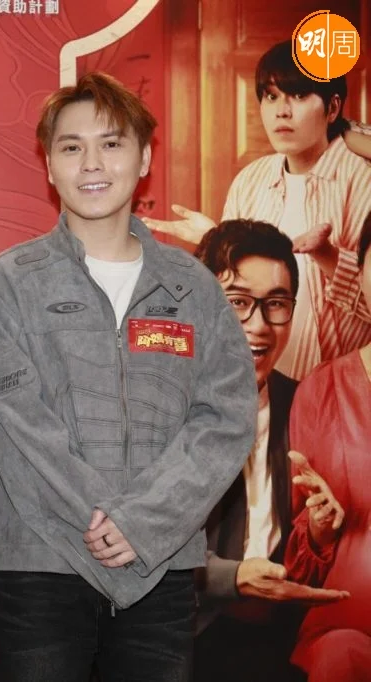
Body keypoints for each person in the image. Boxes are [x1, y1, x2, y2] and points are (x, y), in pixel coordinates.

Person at [0, 72, 257, 681]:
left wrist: (144, 522)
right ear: (50, 166)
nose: (92, 164)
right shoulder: (12, 281)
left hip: (161, 571)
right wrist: (107, 519)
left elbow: (226, 419)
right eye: (71, 147)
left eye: (111, 143)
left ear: (144, 159)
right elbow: (15, 423)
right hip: (40, 569)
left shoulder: (193, 287)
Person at [145, 40, 371, 381]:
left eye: (298, 95)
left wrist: (327, 255)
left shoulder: (363, 180)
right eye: (271, 96)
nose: (282, 111)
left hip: (342, 389)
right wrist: (217, 240)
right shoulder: (252, 180)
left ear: (332, 107)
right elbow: (234, 297)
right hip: (259, 384)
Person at [192, 219, 348, 682]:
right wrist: (231, 577)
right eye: (237, 303)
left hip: (281, 642)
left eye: (276, 304)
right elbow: (124, 547)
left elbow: (310, 556)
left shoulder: (305, 403)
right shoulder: (156, 404)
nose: (258, 326)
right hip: (179, 635)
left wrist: (320, 535)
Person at [281, 211, 371, 681]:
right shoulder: (322, 389)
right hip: (346, 627)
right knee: (340, 656)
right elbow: (299, 564)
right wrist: (319, 531)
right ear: (361, 275)